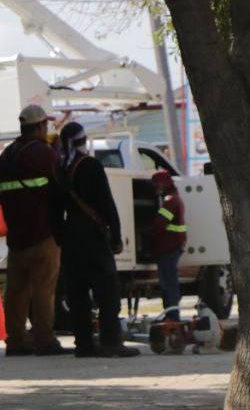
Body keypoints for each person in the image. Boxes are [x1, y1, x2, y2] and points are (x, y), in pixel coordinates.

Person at [0, 103, 67, 356]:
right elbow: (61, 188)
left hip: (16, 238)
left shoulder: (6, 157)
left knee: (17, 292)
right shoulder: (44, 154)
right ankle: (45, 340)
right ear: (41, 126)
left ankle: (16, 340)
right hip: (44, 235)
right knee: (44, 290)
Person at [56, 122, 139, 358]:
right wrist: (115, 235)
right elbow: (106, 203)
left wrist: (61, 237)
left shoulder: (59, 170)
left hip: (71, 239)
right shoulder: (91, 166)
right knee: (107, 292)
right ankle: (110, 342)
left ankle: (83, 344)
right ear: (83, 142)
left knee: (78, 294)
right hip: (93, 237)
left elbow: (53, 210)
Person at [146, 170, 187, 320]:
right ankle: (171, 314)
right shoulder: (174, 199)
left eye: (157, 185)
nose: (156, 189)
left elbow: (159, 225)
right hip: (171, 247)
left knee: (168, 284)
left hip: (168, 248)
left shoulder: (170, 202)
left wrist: (146, 234)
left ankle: (172, 316)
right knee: (170, 283)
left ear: (164, 185)